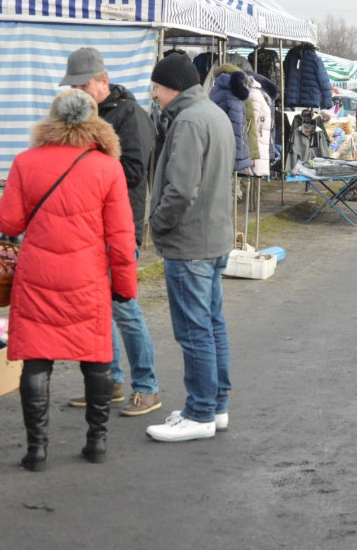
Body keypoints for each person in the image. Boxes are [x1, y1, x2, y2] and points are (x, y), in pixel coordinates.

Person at [0, 90, 137, 471]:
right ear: (94, 122)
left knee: (37, 361)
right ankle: (96, 443)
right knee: (96, 359)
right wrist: (124, 286)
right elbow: (121, 238)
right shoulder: (107, 168)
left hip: (37, 277)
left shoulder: (25, 162)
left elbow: (7, 223)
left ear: (51, 120)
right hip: (87, 279)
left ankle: (37, 451)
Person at [60, 47, 162, 417]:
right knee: (99, 310)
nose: (78, 91)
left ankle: (147, 387)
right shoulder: (89, 114)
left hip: (120, 228)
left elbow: (135, 173)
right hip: (90, 226)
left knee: (125, 308)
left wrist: (87, 168)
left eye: (82, 84)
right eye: (73, 85)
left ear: (102, 80)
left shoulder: (131, 115)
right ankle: (110, 382)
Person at [145, 52, 236, 443]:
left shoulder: (188, 121)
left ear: (172, 88)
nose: (154, 96)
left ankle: (200, 411)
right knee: (211, 327)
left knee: (195, 331)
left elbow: (180, 190)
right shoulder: (213, 113)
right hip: (212, 238)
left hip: (190, 243)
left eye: (157, 89)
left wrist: (157, 224)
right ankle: (214, 406)